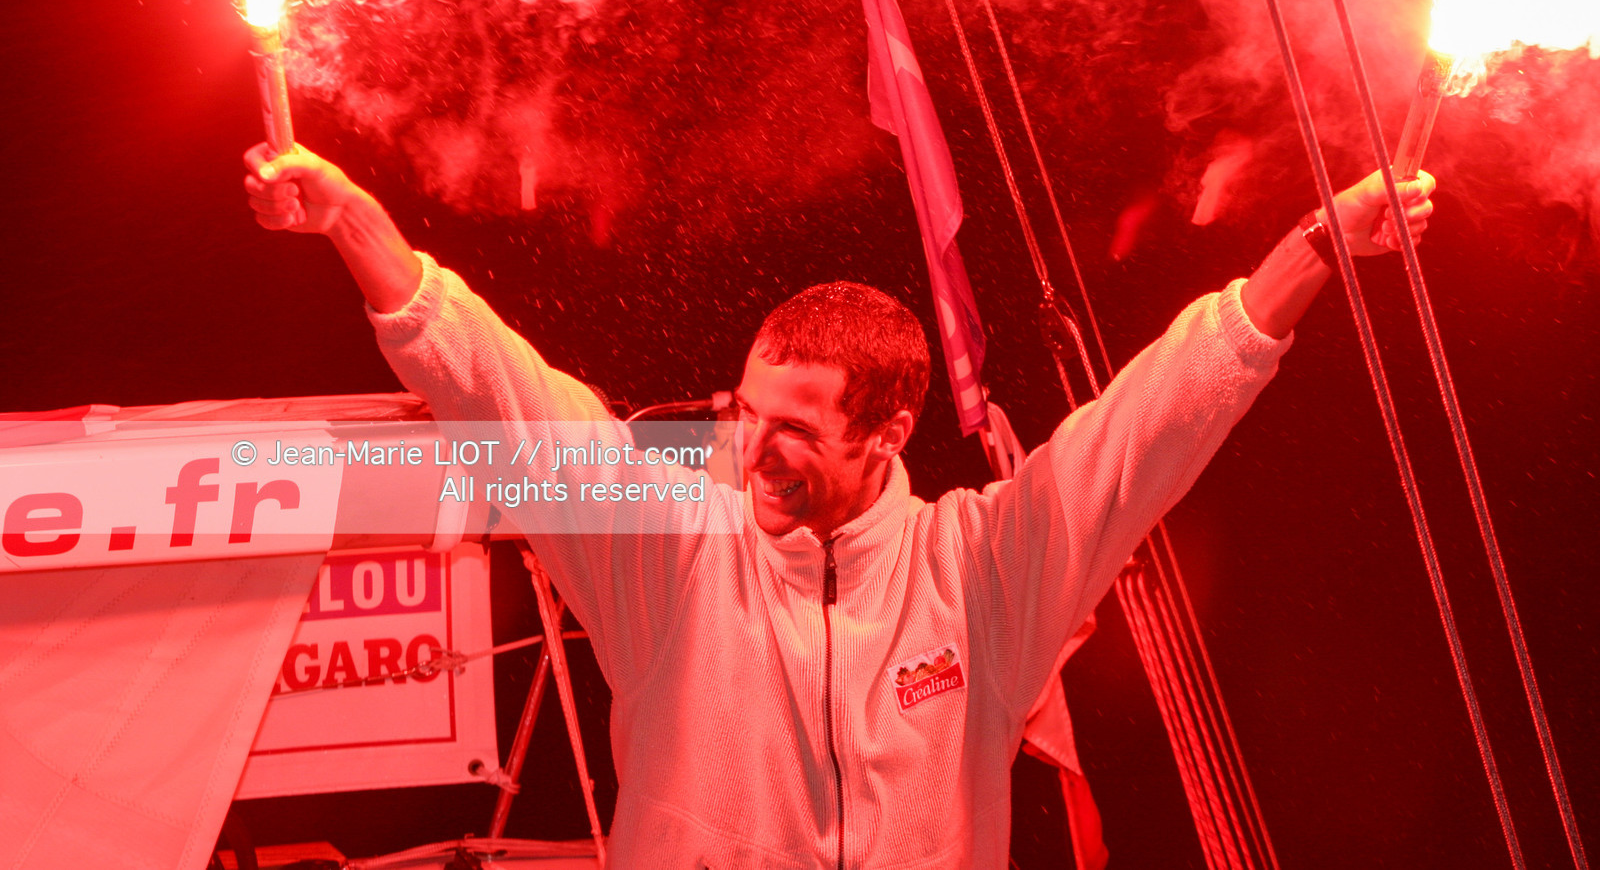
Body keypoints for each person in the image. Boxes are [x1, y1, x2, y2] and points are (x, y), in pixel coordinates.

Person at [243, 142, 1434, 868]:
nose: (750, 450)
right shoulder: (668, 550)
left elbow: (1152, 425)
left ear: (889, 432)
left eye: (796, 430)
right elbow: (500, 394)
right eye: (748, 411)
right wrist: (354, 221)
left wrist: (1316, 248)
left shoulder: (983, 572)